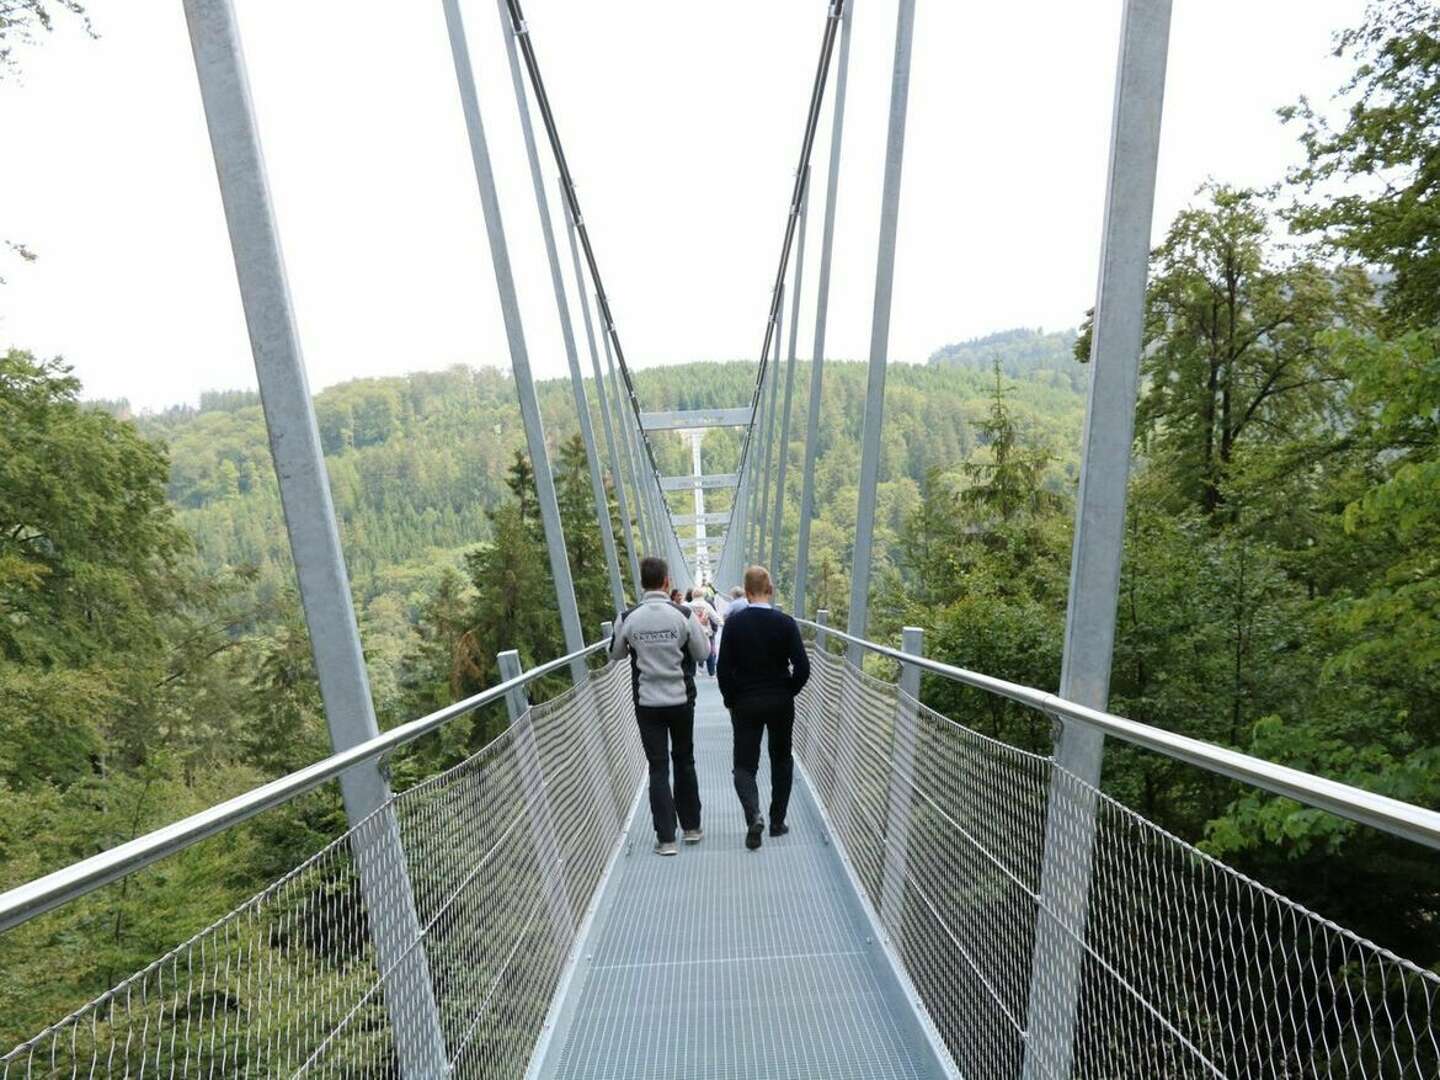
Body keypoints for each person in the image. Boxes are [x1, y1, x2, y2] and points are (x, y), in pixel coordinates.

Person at [611, 556, 712, 856]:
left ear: (642, 582)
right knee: (684, 760)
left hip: (647, 703)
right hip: (681, 700)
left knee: (657, 767)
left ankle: (666, 839)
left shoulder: (628, 617)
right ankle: (692, 828)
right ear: (667, 582)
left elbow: (616, 655)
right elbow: (703, 652)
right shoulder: (682, 614)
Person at [716, 565, 810, 851]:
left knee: (744, 766)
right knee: (781, 760)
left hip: (745, 701)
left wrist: (731, 699)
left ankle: (753, 815)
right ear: (770, 590)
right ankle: (777, 822)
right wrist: (787, 691)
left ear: (746, 592)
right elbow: (803, 668)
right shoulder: (786, 623)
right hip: (780, 701)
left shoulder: (734, 624)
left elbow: (722, 669)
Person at [686, 588, 723, 678]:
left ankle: (692, 672)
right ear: (702, 596)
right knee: (709, 652)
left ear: (692, 596)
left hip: (692, 632)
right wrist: (723, 624)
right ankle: (712, 673)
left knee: (691, 652)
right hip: (705, 632)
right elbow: (715, 617)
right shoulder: (706, 605)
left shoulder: (688, 606)